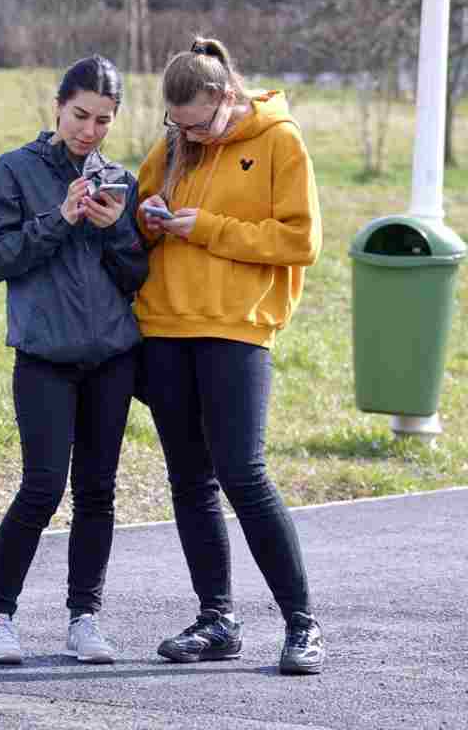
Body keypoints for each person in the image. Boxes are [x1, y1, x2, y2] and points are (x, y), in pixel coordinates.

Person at [134, 36, 326, 675]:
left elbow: (300, 240)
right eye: (175, 123)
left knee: (243, 474)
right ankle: (216, 619)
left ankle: (302, 625)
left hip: (238, 327)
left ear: (223, 97)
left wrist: (207, 228)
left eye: (195, 121)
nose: (186, 133)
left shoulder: (279, 141)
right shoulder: (175, 145)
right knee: (189, 481)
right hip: (165, 326)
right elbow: (139, 212)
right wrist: (149, 216)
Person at [0, 55, 149, 665]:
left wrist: (113, 229)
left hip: (111, 358)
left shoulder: (119, 178)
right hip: (44, 355)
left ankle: (85, 619)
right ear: (57, 107)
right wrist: (61, 217)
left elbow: (136, 274)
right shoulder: (15, 170)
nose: (90, 131)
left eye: (103, 120)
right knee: (42, 487)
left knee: (98, 492)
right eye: (80, 115)